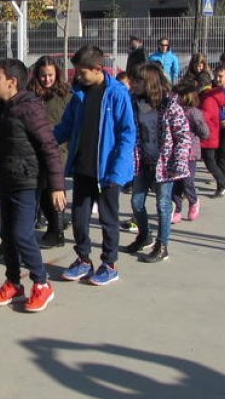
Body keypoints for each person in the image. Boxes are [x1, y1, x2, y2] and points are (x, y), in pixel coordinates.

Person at [0, 59, 66, 312]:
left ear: (11, 82)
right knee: (7, 235)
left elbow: (49, 146)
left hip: (27, 181)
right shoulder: (0, 108)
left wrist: (57, 186)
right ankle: (13, 283)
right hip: (5, 178)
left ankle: (42, 284)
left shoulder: (30, 108)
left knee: (22, 234)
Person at [55, 46, 137, 286]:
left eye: (82, 72)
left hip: (108, 172)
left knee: (108, 219)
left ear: (98, 69)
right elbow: (66, 126)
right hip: (83, 168)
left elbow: (127, 134)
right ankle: (83, 259)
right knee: (79, 218)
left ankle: (109, 264)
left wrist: (118, 170)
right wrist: (45, 140)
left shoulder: (117, 94)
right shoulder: (79, 95)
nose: (78, 77)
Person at [124, 63, 189, 262]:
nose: (133, 84)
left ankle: (162, 245)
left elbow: (182, 136)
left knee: (163, 204)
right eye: (132, 80)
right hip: (143, 161)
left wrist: (178, 162)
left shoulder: (170, 105)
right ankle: (145, 236)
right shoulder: (133, 102)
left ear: (149, 82)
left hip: (165, 165)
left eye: (137, 81)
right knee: (136, 202)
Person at [28, 55, 70, 249]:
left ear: (57, 74)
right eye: (43, 75)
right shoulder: (31, 94)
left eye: (50, 75)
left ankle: (57, 231)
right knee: (43, 190)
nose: (47, 79)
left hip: (58, 149)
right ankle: (55, 223)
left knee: (54, 189)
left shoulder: (65, 94)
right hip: (36, 149)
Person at [171, 82, 209, 223]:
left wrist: (195, 131)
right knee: (175, 183)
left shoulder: (193, 113)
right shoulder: (173, 111)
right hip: (175, 152)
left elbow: (205, 132)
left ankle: (193, 201)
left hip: (190, 154)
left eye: (178, 96)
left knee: (187, 181)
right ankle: (177, 210)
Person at [198, 75, 225, 198]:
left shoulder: (208, 98)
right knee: (209, 161)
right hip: (208, 134)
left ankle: (222, 185)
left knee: (210, 162)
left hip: (209, 135)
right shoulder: (206, 96)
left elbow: (205, 116)